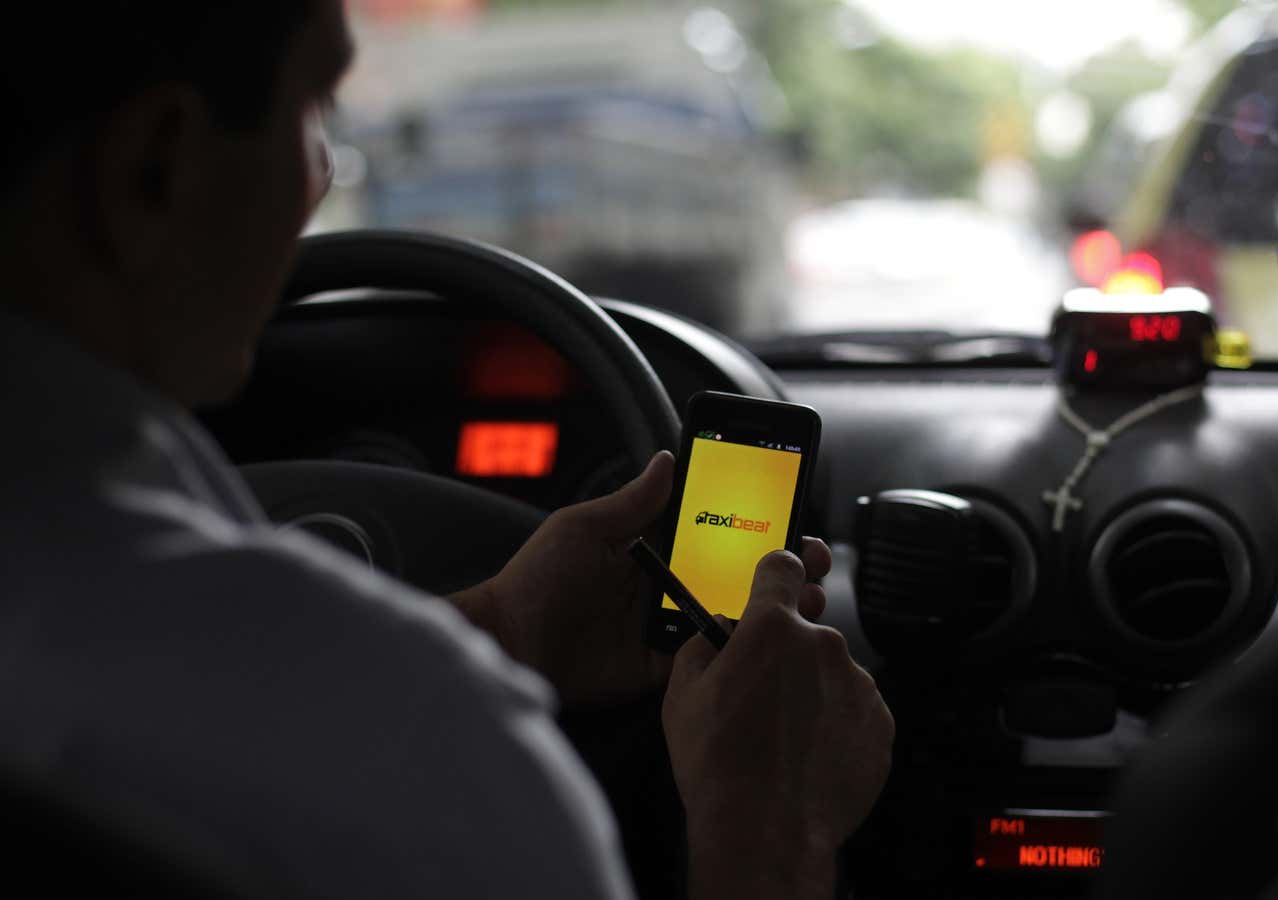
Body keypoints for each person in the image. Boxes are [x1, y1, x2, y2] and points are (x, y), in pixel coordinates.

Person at [0, 2, 894, 898]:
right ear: (156, 167)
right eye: (315, 110)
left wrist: (505, 629)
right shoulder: (437, 760)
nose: (320, 176)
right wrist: (765, 822)